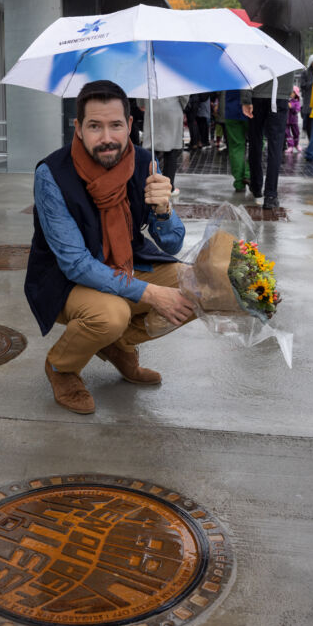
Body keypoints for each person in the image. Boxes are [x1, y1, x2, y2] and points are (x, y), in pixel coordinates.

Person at [25, 80, 194, 414]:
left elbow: (172, 243)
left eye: (116, 125)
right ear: (78, 128)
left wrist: (164, 209)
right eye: (94, 126)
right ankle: (62, 367)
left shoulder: (144, 163)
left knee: (197, 285)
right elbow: (75, 264)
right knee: (110, 315)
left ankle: (118, 348)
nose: (106, 138)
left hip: (126, 264)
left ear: (130, 125)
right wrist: (151, 293)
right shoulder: (52, 175)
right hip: (65, 282)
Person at [241, 25, 302, 209]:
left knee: (255, 142)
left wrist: (245, 97)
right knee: (276, 145)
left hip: (257, 92)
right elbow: (299, 61)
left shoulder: (257, 32)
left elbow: (246, 64)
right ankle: (271, 195)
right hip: (281, 94)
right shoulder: (295, 33)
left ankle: (257, 186)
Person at [141, 95, 189, 196]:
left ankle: (148, 183)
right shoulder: (176, 78)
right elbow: (184, 95)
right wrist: (182, 105)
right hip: (172, 108)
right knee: (171, 149)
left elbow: (141, 94)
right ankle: (169, 186)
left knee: (151, 147)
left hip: (152, 107)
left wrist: (142, 103)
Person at [219, 89, 250, 191]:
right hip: (250, 108)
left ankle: (239, 182)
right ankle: (248, 173)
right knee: (258, 142)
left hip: (231, 109)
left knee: (236, 146)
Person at [299, 53, 313, 140]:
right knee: (308, 122)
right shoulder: (305, 72)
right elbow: (302, 85)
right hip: (308, 100)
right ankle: (310, 138)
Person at [285, 86, 302, 152]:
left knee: (296, 133)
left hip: (294, 121)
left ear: (295, 94)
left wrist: (291, 107)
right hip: (287, 121)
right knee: (287, 133)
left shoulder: (297, 102)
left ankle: (296, 144)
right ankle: (290, 146)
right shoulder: (287, 101)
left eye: (292, 92)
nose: (291, 94)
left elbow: (297, 111)